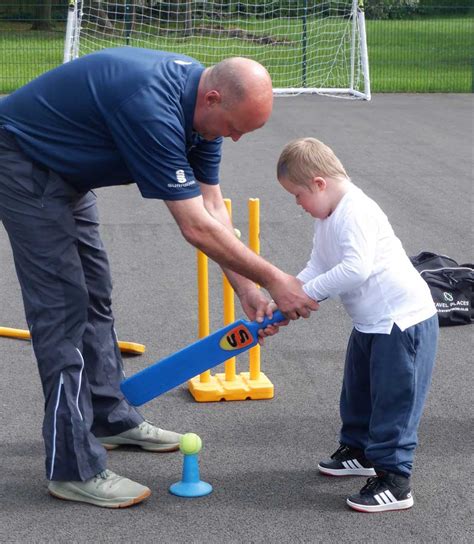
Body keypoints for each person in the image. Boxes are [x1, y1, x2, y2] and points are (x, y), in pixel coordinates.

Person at [0, 48, 317, 509]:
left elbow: (213, 211)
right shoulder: (150, 106)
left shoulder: (204, 117)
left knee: (96, 295)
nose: (234, 140)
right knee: (62, 311)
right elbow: (194, 226)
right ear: (212, 98)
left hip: (67, 174)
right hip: (22, 162)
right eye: (234, 128)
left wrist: (249, 289)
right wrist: (274, 278)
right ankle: (72, 469)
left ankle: (109, 419)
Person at [274, 137, 438, 513]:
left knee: (394, 401)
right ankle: (359, 450)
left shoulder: (356, 210)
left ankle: (395, 482)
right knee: (358, 393)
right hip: (370, 323)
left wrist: (308, 294)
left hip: (402, 323)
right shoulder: (326, 216)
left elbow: (355, 268)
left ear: (319, 183)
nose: (298, 205)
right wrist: (285, 296)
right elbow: (318, 264)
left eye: (297, 195)